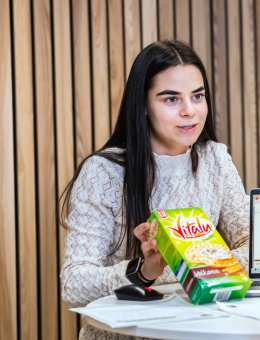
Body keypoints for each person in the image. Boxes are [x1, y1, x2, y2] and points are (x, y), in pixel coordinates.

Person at [60, 40, 249, 338]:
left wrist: (204, 262)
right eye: (171, 99)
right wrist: (143, 270)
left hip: (200, 329)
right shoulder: (104, 172)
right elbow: (74, 284)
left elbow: (256, 247)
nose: (190, 111)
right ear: (144, 106)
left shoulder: (215, 159)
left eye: (197, 96)